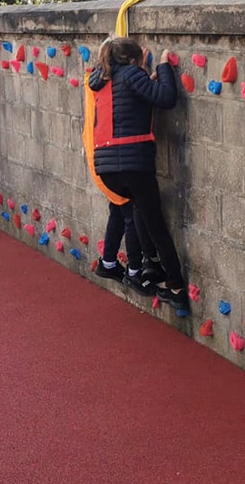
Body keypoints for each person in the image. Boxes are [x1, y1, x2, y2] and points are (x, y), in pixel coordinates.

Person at [88, 36, 188, 312]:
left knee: (136, 213)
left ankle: (148, 267)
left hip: (106, 166)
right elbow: (166, 98)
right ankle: (176, 286)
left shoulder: (102, 79)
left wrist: (145, 74)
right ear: (132, 60)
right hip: (133, 162)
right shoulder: (132, 74)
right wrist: (165, 66)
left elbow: (132, 103)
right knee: (155, 223)